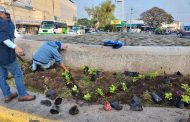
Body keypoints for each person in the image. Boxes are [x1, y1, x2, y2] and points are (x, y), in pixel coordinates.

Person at [0, 6, 36, 103]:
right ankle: (23, 95)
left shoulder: (6, 22)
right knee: (18, 73)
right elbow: (4, 39)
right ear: (1, 13)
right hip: (6, 56)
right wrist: (16, 47)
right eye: (4, 13)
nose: (5, 15)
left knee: (1, 76)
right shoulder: (2, 22)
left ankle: (7, 95)